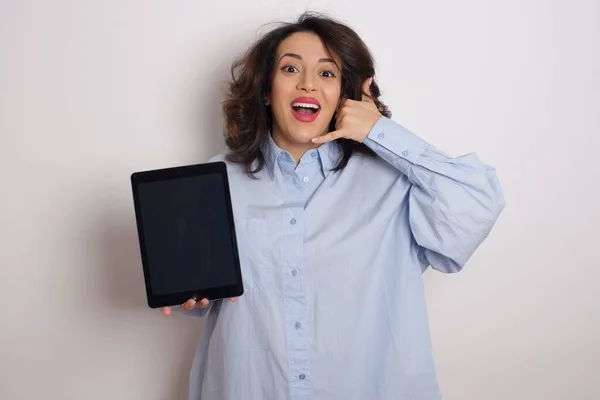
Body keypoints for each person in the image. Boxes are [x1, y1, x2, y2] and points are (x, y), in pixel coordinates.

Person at [161, 11, 505, 400]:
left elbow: (476, 204)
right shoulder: (215, 180)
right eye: (291, 69)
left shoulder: (395, 182)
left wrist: (379, 131)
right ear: (265, 91)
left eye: (327, 73)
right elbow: (201, 299)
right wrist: (192, 296)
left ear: (346, 94)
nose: (308, 83)